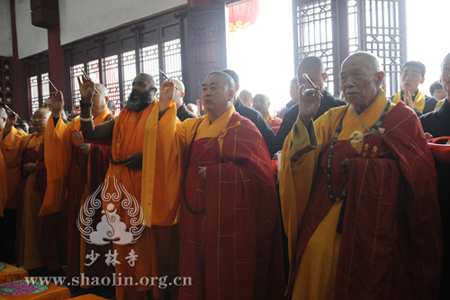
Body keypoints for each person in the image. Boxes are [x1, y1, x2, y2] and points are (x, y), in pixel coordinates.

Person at [280, 52, 442, 299]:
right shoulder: (333, 118)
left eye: (357, 75)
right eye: (343, 77)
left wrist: (362, 171)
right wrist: (304, 117)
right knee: (313, 262)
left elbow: (418, 180)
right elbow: (297, 159)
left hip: (379, 229)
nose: (348, 83)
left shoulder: (403, 118)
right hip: (325, 216)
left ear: (379, 79)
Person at [152, 71, 286, 300]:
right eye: (204, 88)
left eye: (214, 88)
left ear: (232, 94)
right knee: (195, 273)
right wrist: (165, 103)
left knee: (226, 278)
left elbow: (261, 180)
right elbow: (165, 141)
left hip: (230, 224)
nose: (207, 93)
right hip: (195, 219)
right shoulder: (193, 127)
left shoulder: (245, 128)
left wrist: (218, 175)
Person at [71, 73, 179, 300]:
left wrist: (148, 156)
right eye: (133, 84)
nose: (135, 88)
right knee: (123, 246)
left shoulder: (162, 115)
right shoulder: (121, 117)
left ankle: (153, 294)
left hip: (145, 191)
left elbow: (172, 148)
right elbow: (89, 133)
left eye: (142, 84)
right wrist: (86, 102)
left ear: (153, 92)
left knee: (147, 248)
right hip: (119, 186)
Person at [44, 84, 114, 286]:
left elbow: (122, 152)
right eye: (87, 96)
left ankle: (102, 279)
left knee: (101, 228)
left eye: (95, 95)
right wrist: (56, 114)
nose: (90, 99)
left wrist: (95, 150)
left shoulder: (113, 122)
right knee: (79, 227)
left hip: (102, 184)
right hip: (78, 180)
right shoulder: (75, 122)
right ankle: (79, 275)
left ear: (106, 100)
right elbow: (57, 142)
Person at [1, 108, 66, 275]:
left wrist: (37, 167)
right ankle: (32, 263)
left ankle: (48, 265)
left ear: (51, 119)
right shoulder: (27, 138)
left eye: (41, 117)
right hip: (27, 190)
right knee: (28, 226)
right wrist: (9, 125)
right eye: (34, 117)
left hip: (45, 189)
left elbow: (61, 159)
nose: (36, 120)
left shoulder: (55, 136)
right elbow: (9, 153)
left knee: (46, 227)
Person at [420, 53, 450, 299]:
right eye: (447, 69)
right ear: (440, 77)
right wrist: (421, 147)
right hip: (441, 205)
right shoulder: (426, 123)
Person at [271, 57, 346, 156]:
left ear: (324, 77)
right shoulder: (293, 112)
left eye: (312, 80)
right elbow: (279, 147)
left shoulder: (340, 108)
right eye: (301, 82)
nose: (307, 86)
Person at [222, 69, 276, 153]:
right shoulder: (215, 115)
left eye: (223, 85)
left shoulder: (252, 115)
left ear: (236, 87)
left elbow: (273, 145)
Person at [0, 108, 27, 264]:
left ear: (4, 120)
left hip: (10, 193)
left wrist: (9, 128)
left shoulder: (20, 137)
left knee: (8, 232)